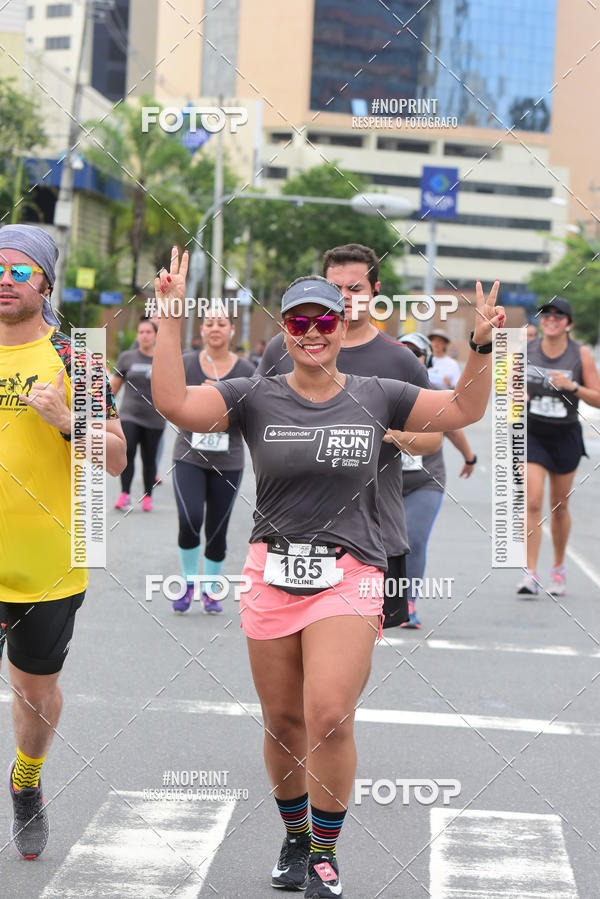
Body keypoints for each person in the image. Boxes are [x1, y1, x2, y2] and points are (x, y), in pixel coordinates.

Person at [152, 246, 502, 898]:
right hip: (271, 572)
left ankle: (324, 853)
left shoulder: (381, 393)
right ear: (285, 330)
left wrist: (481, 344)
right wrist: (170, 318)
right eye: (299, 323)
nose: (312, 333)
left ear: (341, 327)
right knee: (283, 721)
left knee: (330, 714)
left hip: (351, 572)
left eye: (324, 322)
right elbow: (174, 401)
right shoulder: (254, 395)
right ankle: (293, 834)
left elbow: (461, 411)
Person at [0, 224, 126, 859]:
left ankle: (26, 782)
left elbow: (117, 458)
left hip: (46, 565)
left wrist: (69, 421)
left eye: (19, 270)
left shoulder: (81, 356)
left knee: (35, 692)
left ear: (45, 282)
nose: (4, 279)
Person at [259, 243, 441, 628]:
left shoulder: (400, 360)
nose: (343, 297)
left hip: (373, 531)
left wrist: (384, 434)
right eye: (334, 286)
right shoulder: (284, 346)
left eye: (354, 289)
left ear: (375, 292)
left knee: (348, 661)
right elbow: (255, 415)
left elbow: (433, 439)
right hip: (288, 528)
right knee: (286, 642)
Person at [171, 308, 255, 614]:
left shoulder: (246, 368)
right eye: (209, 323)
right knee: (190, 518)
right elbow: (170, 400)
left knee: (217, 529)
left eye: (222, 323)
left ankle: (210, 590)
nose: (215, 328)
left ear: (232, 330)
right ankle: (189, 582)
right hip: (189, 455)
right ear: (202, 329)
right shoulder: (186, 363)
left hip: (228, 460)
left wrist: (219, 400)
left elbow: (253, 411)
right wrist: (198, 398)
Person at [518, 297, 600, 597]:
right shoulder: (526, 350)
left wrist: (573, 387)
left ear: (569, 323)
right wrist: (517, 397)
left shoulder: (580, 355)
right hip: (532, 434)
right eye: (547, 314)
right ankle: (530, 573)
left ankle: (558, 567)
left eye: (559, 315)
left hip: (565, 436)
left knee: (560, 506)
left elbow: (597, 397)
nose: (552, 319)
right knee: (534, 501)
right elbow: (505, 387)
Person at [397, 333, 477, 628]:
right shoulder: (375, 391)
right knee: (377, 543)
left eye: (415, 352)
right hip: (382, 482)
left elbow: (454, 428)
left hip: (424, 481)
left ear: (427, 359)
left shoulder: (434, 394)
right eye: (402, 350)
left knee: (413, 540)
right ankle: (375, 600)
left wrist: (469, 458)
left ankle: (407, 603)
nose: (408, 357)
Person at [111, 316, 165, 512]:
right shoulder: (127, 357)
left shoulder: (164, 358)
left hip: (155, 418)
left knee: (149, 458)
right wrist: (102, 410)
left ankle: (147, 497)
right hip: (129, 415)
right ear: (137, 335)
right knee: (128, 452)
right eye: (141, 332)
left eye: (148, 332)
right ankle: (125, 494)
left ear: (156, 335)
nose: (144, 335)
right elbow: (114, 387)